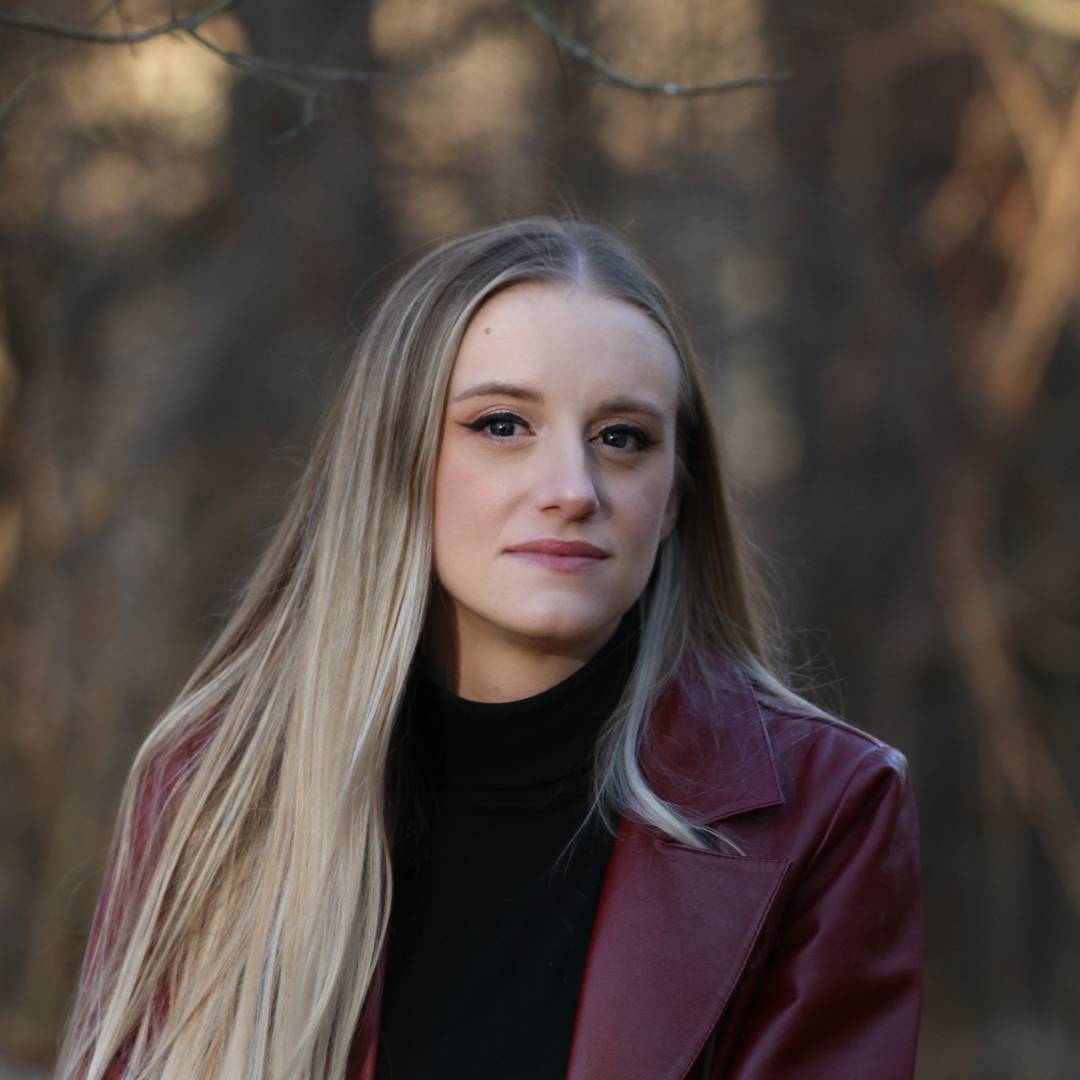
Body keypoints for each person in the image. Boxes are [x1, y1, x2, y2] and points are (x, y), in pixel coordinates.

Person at [58, 217, 922, 1080]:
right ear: (393, 461)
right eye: (503, 425)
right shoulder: (215, 785)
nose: (572, 492)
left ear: (672, 503)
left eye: (623, 437)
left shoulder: (826, 810)